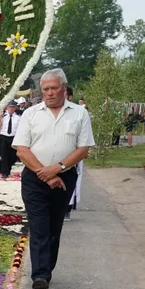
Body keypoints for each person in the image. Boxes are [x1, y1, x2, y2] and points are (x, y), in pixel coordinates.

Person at [12, 68, 94, 289]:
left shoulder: (79, 114)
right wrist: (44, 173)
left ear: (64, 88)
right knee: (38, 225)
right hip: (34, 177)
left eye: (53, 88)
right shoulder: (30, 114)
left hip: (64, 178)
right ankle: (40, 275)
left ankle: (47, 268)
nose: (48, 93)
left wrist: (57, 169)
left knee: (54, 226)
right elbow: (21, 150)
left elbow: (83, 149)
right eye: (45, 89)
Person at [66, 87, 85, 219]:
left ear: (70, 97)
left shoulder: (79, 112)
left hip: (73, 154)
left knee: (71, 181)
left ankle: (67, 208)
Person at [0, 101, 21, 177]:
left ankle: (9, 167)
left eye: (13, 107)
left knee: (13, 156)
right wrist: (0, 118)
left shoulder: (18, 117)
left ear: (15, 108)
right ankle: (5, 172)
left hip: (13, 137)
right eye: (9, 107)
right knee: (4, 155)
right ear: (7, 107)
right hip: (4, 137)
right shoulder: (3, 117)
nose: (11, 109)